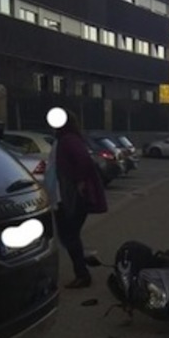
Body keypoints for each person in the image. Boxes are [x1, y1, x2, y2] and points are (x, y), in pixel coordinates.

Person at [52, 109, 107, 289]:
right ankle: (83, 267)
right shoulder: (67, 139)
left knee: (69, 234)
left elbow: (83, 160)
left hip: (71, 196)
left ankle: (83, 274)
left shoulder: (68, 140)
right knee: (69, 234)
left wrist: (80, 181)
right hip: (66, 195)